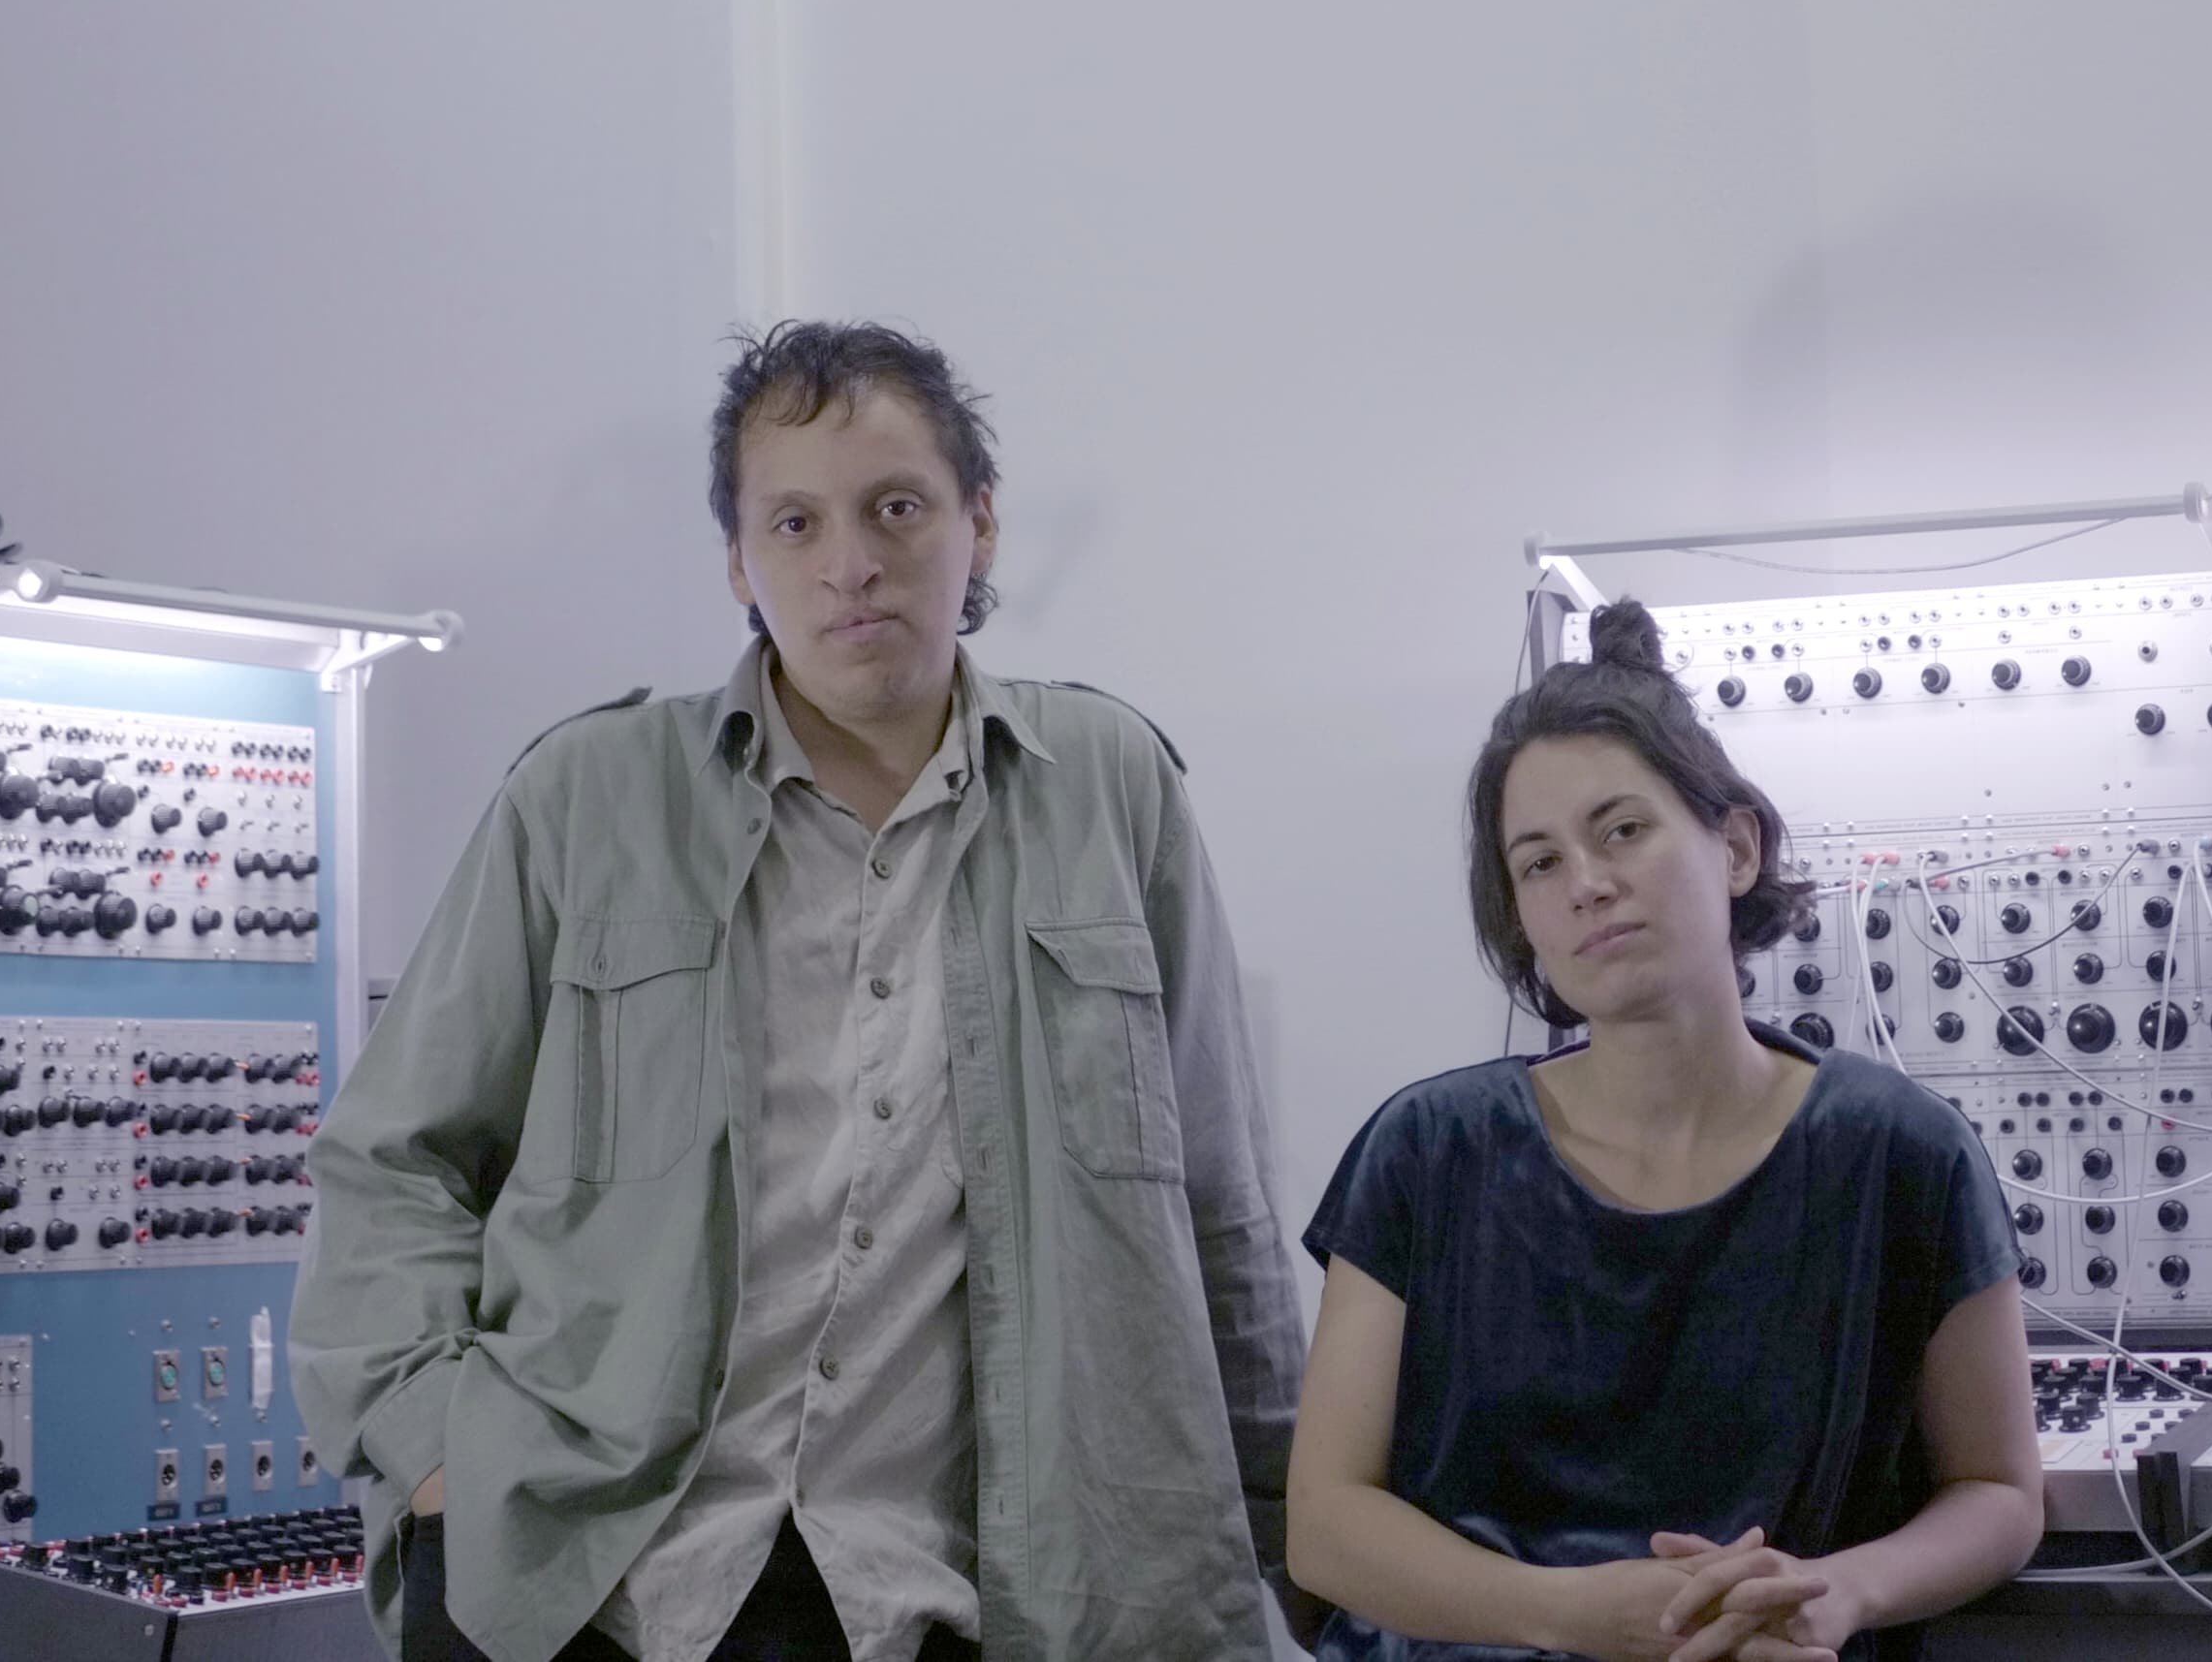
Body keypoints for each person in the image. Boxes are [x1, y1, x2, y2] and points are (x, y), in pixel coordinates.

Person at [291, 321, 1313, 1662]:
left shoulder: (1112, 784)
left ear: (980, 523)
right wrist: (437, 1459)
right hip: (595, 1578)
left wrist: (1299, 1534)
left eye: (898, 506)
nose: (852, 563)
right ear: (738, 558)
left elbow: (1214, 1198)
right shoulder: (586, 797)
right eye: (794, 520)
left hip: (978, 1590)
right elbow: (394, 1161)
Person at [1285, 599, 2042, 1662]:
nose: (1586, 883)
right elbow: (1325, 1527)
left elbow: (2000, 1491)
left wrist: (1835, 1591)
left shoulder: (1900, 1153)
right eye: (1538, 863)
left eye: (1622, 831)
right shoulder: (1427, 1151)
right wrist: (1582, 1616)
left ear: (1734, 846)